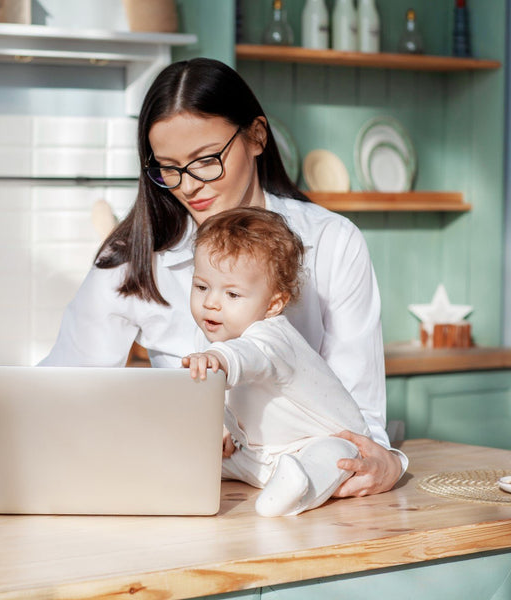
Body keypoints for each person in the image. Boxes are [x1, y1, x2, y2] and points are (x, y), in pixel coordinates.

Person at [40, 57, 406, 497]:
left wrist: (384, 463)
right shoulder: (132, 256)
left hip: (309, 498)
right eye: (168, 168)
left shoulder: (332, 242)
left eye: (206, 159)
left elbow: (362, 420)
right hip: (187, 492)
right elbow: (62, 394)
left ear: (256, 136)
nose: (189, 186)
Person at [182, 207, 372, 516]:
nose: (210, 302)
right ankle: (190, 473)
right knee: (205, 458)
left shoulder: (274, 337)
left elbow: (248, 357)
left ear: (273, 304)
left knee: (331, 457)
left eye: (232, 294)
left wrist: (216, 358)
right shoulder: (214, 340)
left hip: (327, 440)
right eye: (202, 287)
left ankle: (295, 489)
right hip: (262, 453)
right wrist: (222, 426)